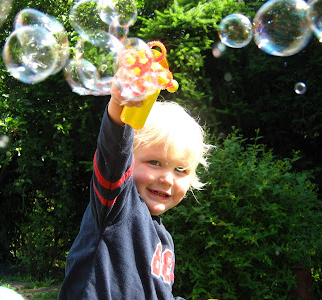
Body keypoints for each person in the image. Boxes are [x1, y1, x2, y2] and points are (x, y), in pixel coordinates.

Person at [58, 80, 211, 300]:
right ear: (129, 162)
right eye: (154, 163)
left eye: (180, 169)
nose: (168, 179)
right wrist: (122, 104)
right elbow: (114, 151)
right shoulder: (117, 205)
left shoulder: (163, 239)